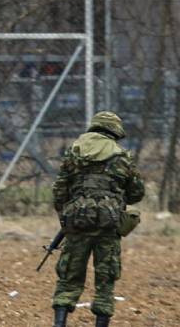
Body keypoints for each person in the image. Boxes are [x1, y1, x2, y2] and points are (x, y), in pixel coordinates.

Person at [51, 111, 145, 327]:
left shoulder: (74, 152)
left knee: (69, 276)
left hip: (77, 222)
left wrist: (66, 218)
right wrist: (115, 197)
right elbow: (137, 193)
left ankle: (59, 323)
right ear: (114, 131)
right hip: (108, 224)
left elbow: (59, 190)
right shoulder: (122, 156)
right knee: (106, 279)